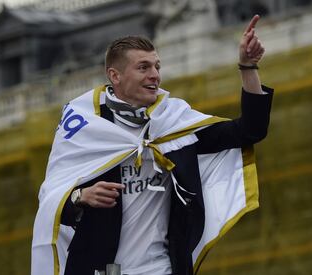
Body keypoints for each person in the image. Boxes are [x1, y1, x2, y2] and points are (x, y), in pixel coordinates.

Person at [31, 15, 273, 275]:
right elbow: (52, 201)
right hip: (99, 269)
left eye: (157, 66)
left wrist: (247, 67)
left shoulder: (175, 123)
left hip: (162, 268)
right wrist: (80, 197)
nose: (155, 75)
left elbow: (250, 130)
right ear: (115, 75)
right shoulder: (85, 126)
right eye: (143, 67)